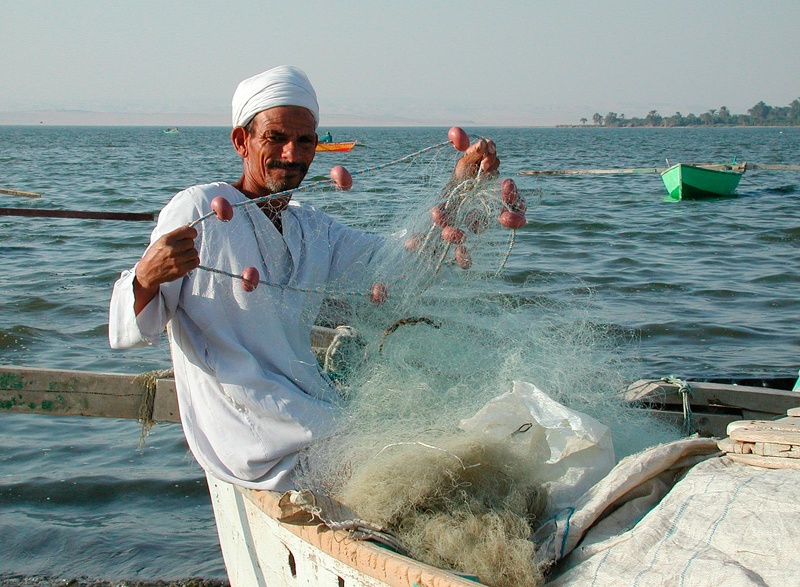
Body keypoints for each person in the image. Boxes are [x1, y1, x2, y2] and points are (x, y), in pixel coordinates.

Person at [109, 65, 500, 491]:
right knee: (430, 480)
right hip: (250, 438)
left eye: (305, 141)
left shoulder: (312, 229)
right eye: (275, 138)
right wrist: (147, 276)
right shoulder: (200, 207)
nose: (292, 155)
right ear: (242, 140)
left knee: (464, 459)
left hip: (315, 419)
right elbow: (133, 330)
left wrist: (457, 189)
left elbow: (395, 270)